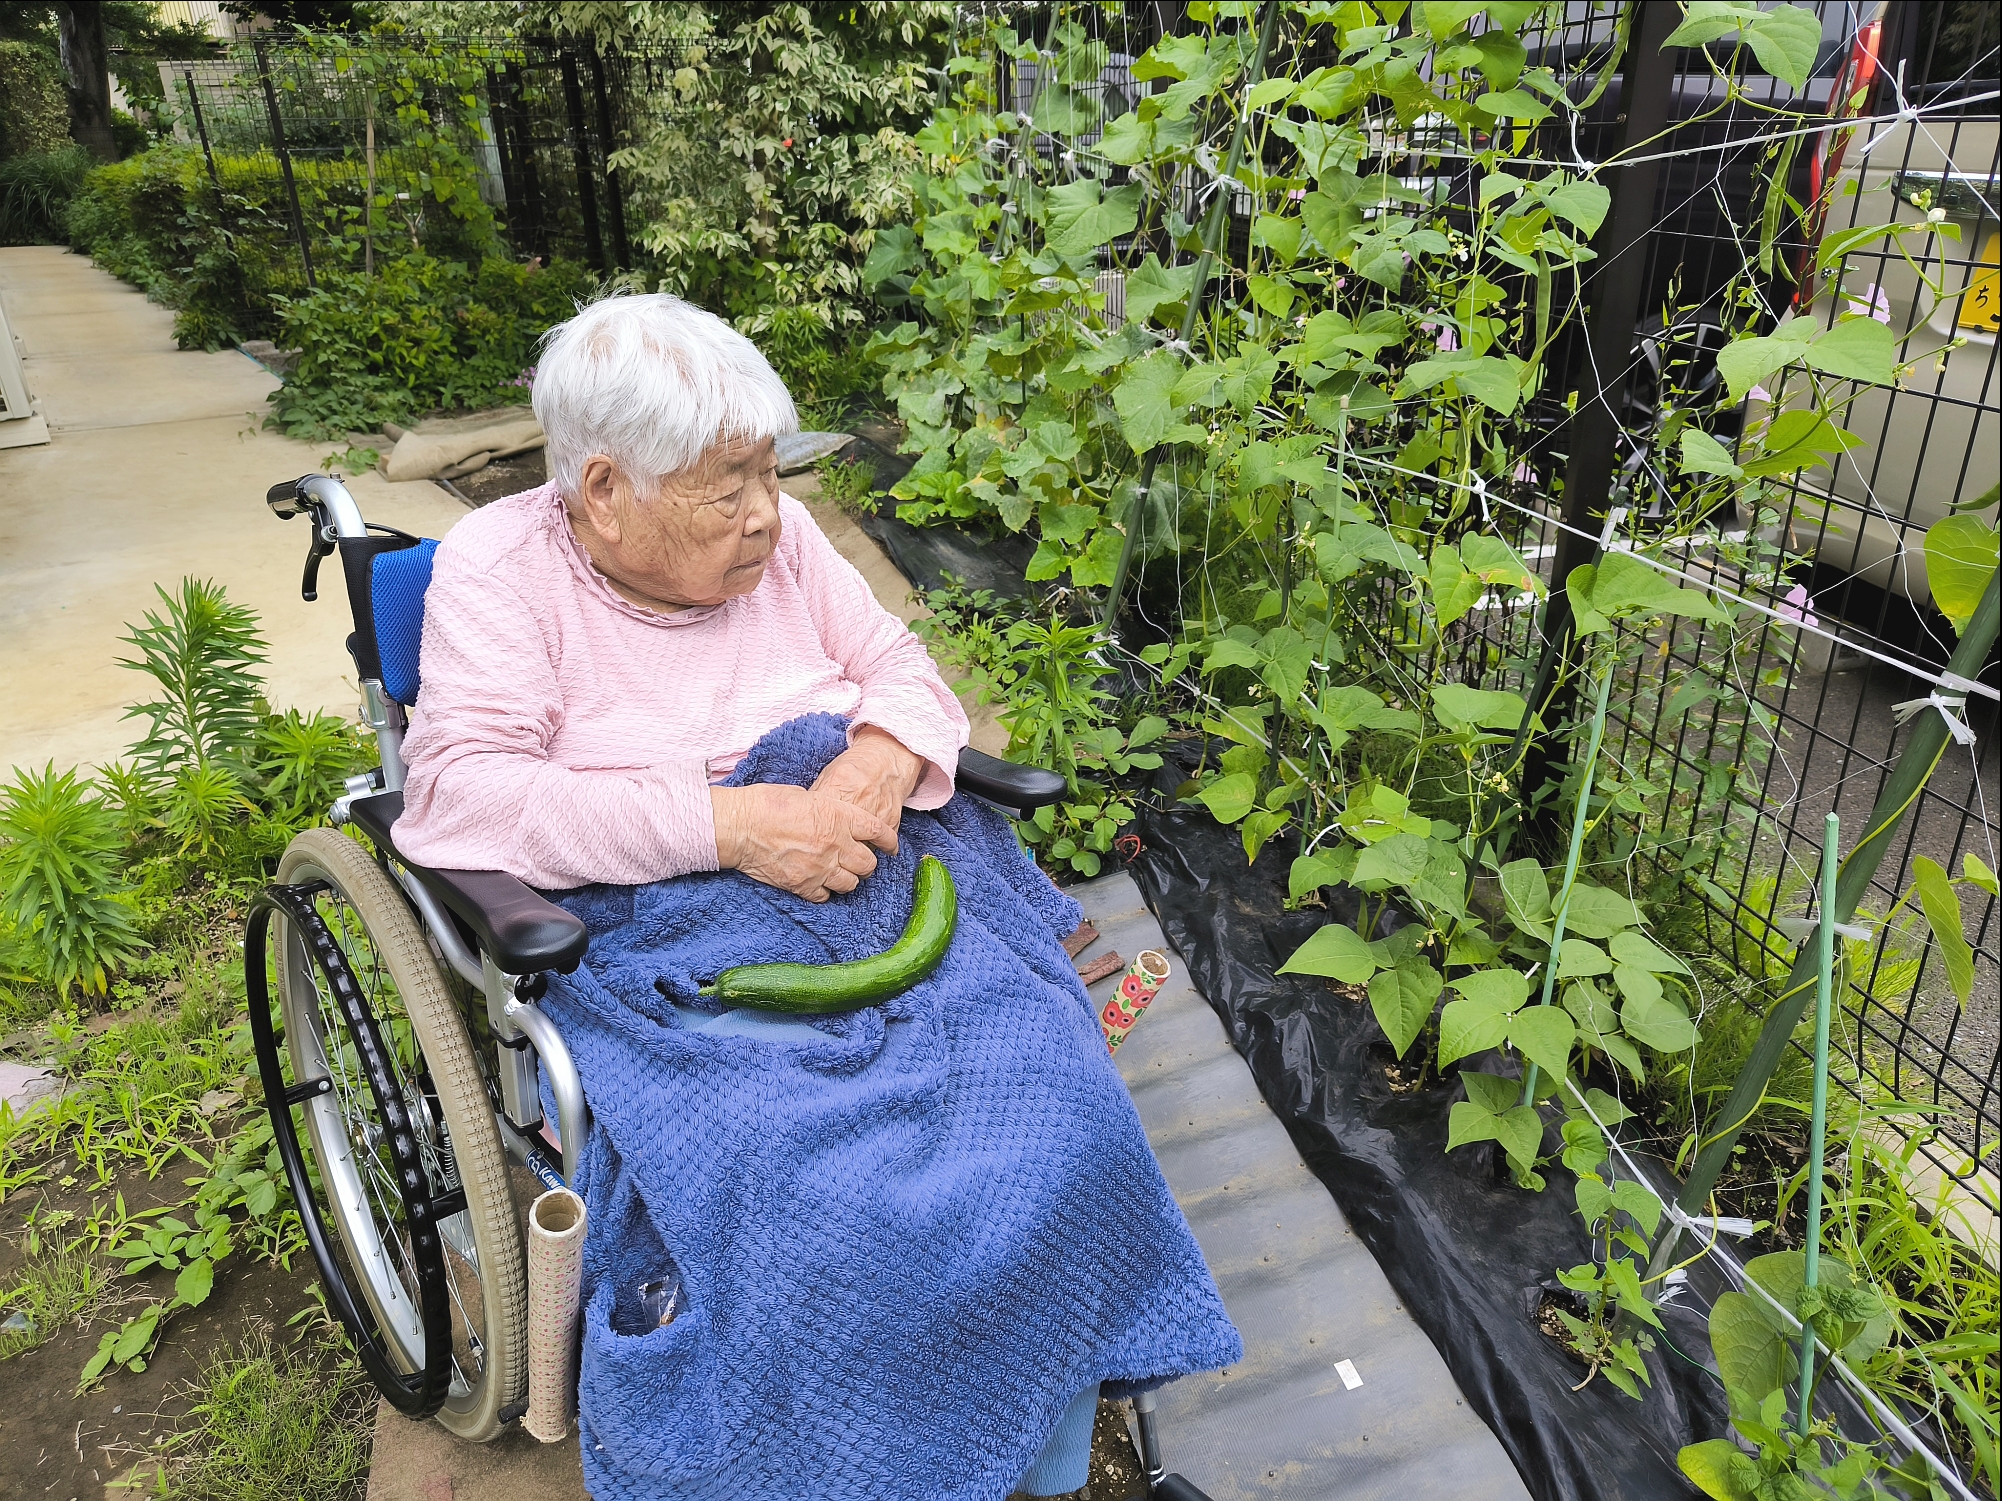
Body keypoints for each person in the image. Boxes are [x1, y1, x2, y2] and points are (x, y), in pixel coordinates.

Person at [394, 293, 1234, 1500]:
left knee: (1062, 1104)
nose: (766, 511)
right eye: (725, 484)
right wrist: (728, 825)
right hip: (667, 924)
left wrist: (877, 760)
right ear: (604, 491)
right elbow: (461, 799)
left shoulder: (779, 545)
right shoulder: (502, 572)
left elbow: (900, 668)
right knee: (818, 1197)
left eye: (768, 470)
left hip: (865, 863)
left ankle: (1039, 1465)